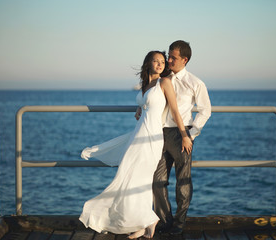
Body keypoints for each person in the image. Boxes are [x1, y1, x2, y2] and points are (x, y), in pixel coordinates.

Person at [79, 50, 193, 239]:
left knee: (137, 177)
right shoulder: (146, 84)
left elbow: (174, 110)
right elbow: (148, 103)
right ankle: (144, 222)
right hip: (138, 134)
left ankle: (148, 220)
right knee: (131, 176)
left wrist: (184, 135)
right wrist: (140, 107)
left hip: (151, 138)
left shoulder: (164, 83)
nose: (159, 65)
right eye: (155, 61)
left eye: (162, 62)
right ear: (148, 63)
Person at [152, 40, 212, 235]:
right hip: (159, 133)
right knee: (157, 180)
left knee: (183, 180)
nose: (169, 60)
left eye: (173, 58)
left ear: (185, 60)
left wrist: (191, 135)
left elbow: (205, 111)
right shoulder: (162, 78)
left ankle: (179, 223)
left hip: (182, 135)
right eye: (168, 56)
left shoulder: (196, 83)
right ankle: (164, 220)